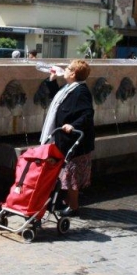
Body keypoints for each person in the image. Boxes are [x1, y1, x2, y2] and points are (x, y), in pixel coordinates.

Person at [39, 59, 96, 217]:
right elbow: (58, 101)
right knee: (65, 174)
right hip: (64, 139)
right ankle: (65, 202)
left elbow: (88, 113)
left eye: (68, 68)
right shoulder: (69, 88)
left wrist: (73, 125)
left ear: (73, 74)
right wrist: (52, 81)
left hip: (75, 142)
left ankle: (73, 206)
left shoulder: (81, 91)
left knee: (72, 177)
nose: (65, 69)